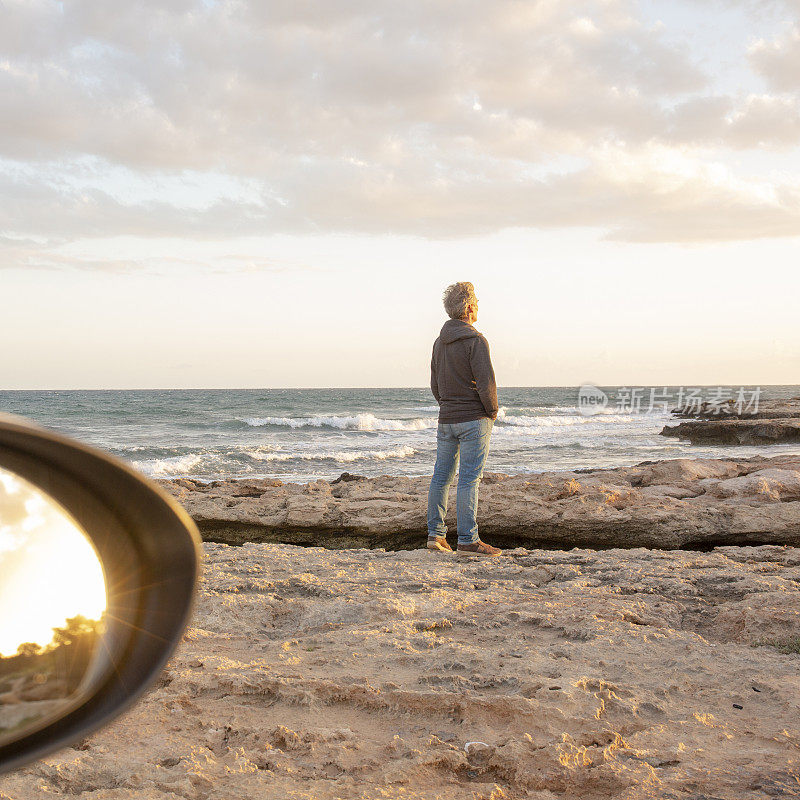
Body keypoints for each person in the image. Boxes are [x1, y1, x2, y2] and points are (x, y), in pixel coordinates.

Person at [427, 282, 502, 556]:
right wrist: (492, 411)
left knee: (441, 478)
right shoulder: (476, 340)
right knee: (470, 479)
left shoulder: (439, 342)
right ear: (469, 308)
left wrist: (447, 406)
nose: (478, 306)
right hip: (473, 418)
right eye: (477, 302)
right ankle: (468, 540)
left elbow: (435, 384)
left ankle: (435, 535)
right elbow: (486, 384)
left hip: (446, 419)